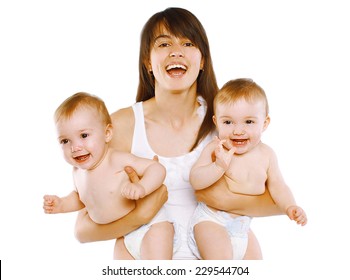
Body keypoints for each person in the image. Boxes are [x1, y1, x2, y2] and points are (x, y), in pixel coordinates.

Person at [74, 7, 283, 260]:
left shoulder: (227, 121)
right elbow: (83, 230)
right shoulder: (121, 125)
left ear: (203, 60)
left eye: (187, 42)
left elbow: (276, 201)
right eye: (163, 44)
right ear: (148, 62)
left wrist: (223, 198)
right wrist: (141, 215)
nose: (176, 51)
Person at [43, 92, 176, 260]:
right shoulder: (77, 172)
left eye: (84, 136)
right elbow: (80, 198)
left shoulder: (116, 159)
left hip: (152, 226)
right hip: (123, 234)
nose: (75, 147)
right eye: (65, 141)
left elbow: (156, 169)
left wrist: (141, 187)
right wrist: (61, 204)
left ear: (107, 133)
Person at [188, 78, 308, 260]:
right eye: (228, 122)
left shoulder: (267, 155)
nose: (238, 130)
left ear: (265, 123)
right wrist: (218, 166)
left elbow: (278, 186)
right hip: (211, 221)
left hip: (242, 226)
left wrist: (289, 206)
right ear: (216, 122)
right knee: (221, 263)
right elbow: (196, 181)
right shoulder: (216, 149)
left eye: (249, 122)